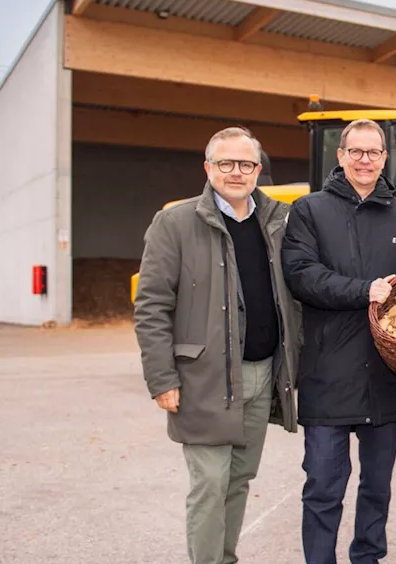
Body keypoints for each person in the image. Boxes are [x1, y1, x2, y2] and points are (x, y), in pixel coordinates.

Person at [134, 126, 302, 564]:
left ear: (258, 170)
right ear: (208, 168)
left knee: (240, 479)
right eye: (225, 163)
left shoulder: (278, 221)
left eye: (245, 164)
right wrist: (161, 378)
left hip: (262, 371)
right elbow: (151, 306)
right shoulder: (175, 223)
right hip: (203, 378)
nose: (235, 172)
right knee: (210, 484)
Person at [281, 118, 396, 564]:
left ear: (385, 158)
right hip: (330, 372)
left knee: (377, 487)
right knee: (323, 486)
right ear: (340, 156)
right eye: (356, 152)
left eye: (374, 152)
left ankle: (368, 557)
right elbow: (302, 275)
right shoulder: (310, 210)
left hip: (389, 375)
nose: (366, 160)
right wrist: (363, 290)